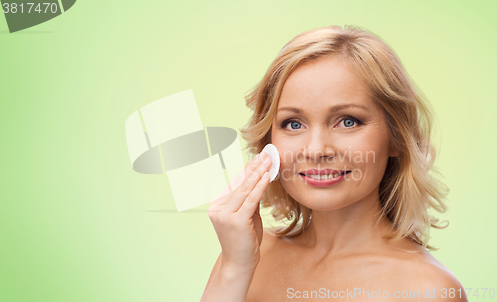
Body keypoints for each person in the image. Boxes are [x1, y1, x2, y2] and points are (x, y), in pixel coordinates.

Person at [200, 25, 467, 302]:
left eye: (348, 121)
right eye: (293, 124)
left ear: (396, 138)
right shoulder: (245, 256)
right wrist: (234, 269)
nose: (316, 150)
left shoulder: (428, 290)